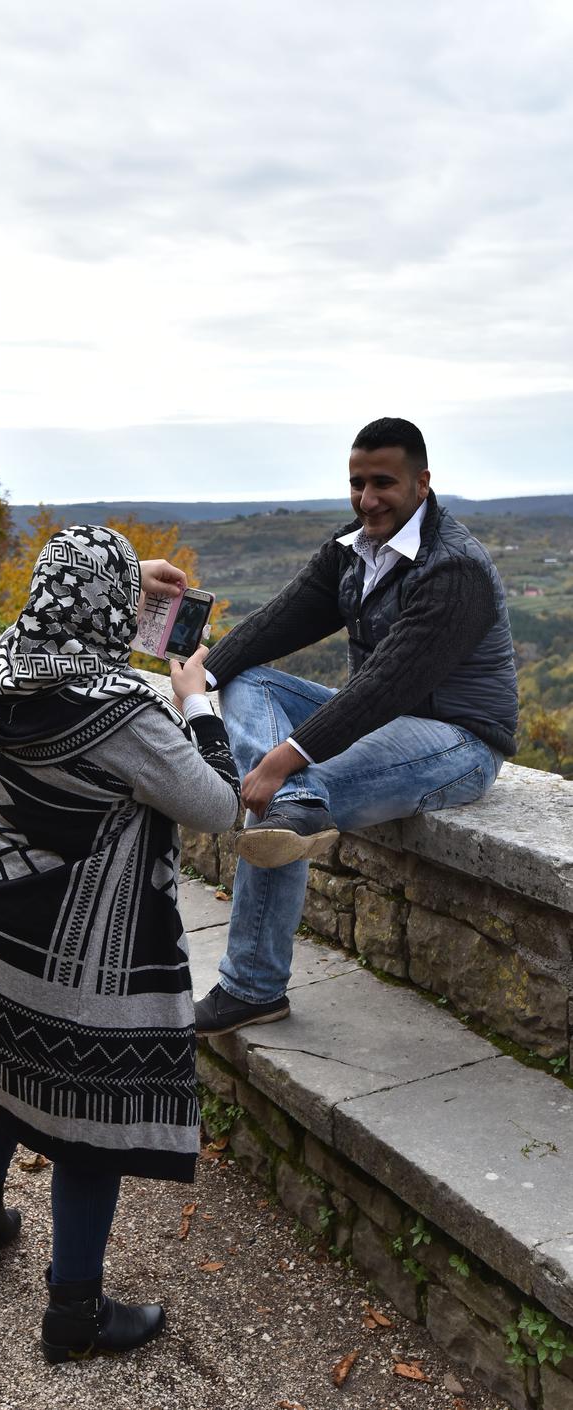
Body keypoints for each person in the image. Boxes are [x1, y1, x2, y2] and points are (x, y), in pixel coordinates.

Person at [0, 527, 240, 1363]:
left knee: (0, 1066)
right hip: (64, 965)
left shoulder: (4, 664)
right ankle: (74, 1311)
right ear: (106, 605)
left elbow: (55, 625)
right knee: (87, 1116)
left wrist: (114, 580)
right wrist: (196, 701)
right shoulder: (124, 712)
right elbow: (217, 806)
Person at [193, 416, 518, 1037]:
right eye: (357, 483)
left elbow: (385, 686)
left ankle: (251, 987)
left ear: (422, 483)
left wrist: (283, 759)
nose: (367, 499)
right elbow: (277, 622)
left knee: (292, 792)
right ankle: (289, 810)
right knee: (248, 681)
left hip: (457, 742)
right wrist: (199, 685)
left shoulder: (455, 570)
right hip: (382, 724)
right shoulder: (354, 548)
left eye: (383, 484)